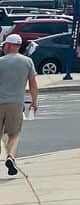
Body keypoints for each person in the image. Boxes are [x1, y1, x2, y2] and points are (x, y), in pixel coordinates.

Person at [0, 33, 37, 177]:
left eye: (4, 45)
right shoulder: (28, 62)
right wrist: (34, 102)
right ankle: (11, 157)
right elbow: (33, 85)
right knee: (14, 134)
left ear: (8, 45)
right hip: (16, 104)